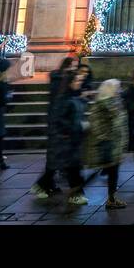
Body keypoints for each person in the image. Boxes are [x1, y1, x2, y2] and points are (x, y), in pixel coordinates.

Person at [33, 56, 77, 197]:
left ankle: (47, 185)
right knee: (56, 160)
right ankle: (42, 186)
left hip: (59, 126)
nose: (75, 68)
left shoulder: (64, 82)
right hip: (57, 126)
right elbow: (59, 106)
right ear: (67, 66)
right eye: (73, 66)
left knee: (55, 160)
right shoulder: (61, 83)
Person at [84, 78, 129, 209]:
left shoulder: (112, 102)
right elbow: (97, 123)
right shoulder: (105, 103)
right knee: (111, 172)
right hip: (109, 144)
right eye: (116, 88)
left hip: (114, 144)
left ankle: (112, 198)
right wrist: (105, 137)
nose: (119, 91)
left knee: (112, 172)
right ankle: (111, 199)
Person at [53, 69, 90, 206]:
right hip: (68, 139)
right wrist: (77, 127)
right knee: (74, 169)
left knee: (77, 169)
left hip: (76, 139)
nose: (79, 83)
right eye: (77, 81)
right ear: (70, 82)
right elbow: (60, 119)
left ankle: (77, 194)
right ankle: (75, 195)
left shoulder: (76, 96)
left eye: (81, 81)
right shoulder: (65, 98)